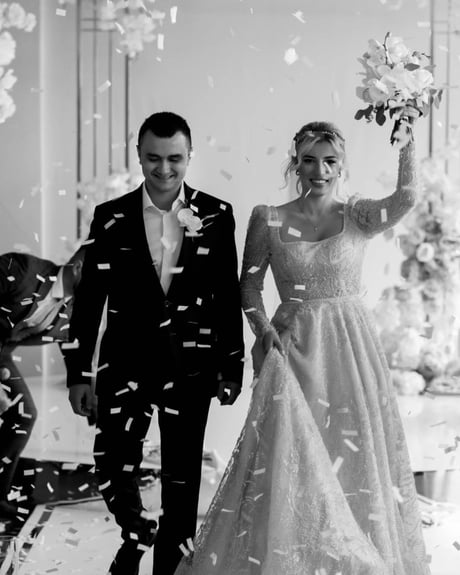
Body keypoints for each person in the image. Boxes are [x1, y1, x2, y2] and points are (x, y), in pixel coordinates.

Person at [174, 111, 431, 575]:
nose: (320, 170)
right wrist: (262, 328)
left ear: (342, 164)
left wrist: (407, 138)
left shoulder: (358, 215)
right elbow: (248, 287)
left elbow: (408, 197)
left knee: (351, 454)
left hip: (349, 353)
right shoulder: (268, 219)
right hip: (292, 350)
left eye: (330, 160)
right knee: (292, 456)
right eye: (309, 160)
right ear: (295, 163)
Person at [66, 111, 245, 575]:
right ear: (139, 155)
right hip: (123, 364)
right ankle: (135, 531)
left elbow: (227, 295)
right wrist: (78, 374)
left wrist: (232, 366)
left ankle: (171, 568)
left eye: (174, 159)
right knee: (113, 463)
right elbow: (89, 301)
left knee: (182, 482)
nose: (164, 169)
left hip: (192, 366)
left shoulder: (217, 214)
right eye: (153, 158)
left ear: (190, 156)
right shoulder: (109, 217)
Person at [0, 247, 85, 525]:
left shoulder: (73, 307)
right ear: (79, 267)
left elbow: (73, 347)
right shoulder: (21, 269)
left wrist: (83, 383)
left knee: (23, 414)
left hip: (2, 355)